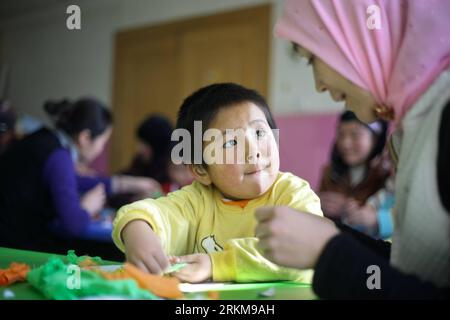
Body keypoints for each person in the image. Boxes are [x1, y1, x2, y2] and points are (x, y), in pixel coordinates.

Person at [255, 0, 450, 299]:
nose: (318, 85)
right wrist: (332, 236)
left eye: (312, 59)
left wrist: (329, 252)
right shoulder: (415, 124)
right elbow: (415, 270)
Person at [112, 83, 322, 283]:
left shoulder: (293, 193)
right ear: (201, 170)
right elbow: (150, 213)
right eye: (231, 142)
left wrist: (216, 264)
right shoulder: (197, 201)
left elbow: (301, 248)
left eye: (259, 133)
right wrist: (137, 231)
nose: (253, 152)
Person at [0, 98, 159, 258]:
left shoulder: (43, 138)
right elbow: (73, 226)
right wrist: (87, 207)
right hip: (14, 248)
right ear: (85, 138)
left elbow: (71, 181)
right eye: (103, 142)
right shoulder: (59, 156)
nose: (101, 149)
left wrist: (127, 183)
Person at [319, 110, 393, 238]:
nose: (345, 143)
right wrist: (316, 203)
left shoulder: (386, 176)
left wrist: (347, 210)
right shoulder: (330, 172)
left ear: (375, 139)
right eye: (341, 134)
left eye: (355, 135)